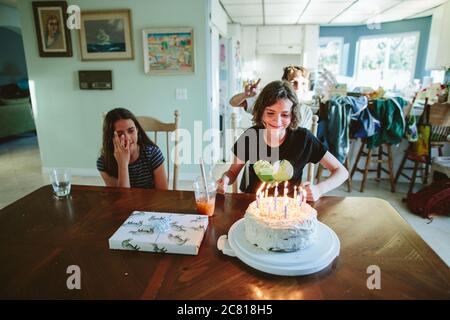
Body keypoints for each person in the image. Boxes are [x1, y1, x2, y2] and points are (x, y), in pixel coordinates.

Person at [217, 80, 348, 201]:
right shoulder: (251, 136)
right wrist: (225, 180)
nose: (277, 121)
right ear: (260, 112)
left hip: (290, 205)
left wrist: (319, 189)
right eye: (270, 113)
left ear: (293, 115)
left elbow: (341, 171)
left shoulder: (303, 139)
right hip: (253, 202)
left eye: (285, 115)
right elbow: (232, 172)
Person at [97, 108, 168, 189]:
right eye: (120, 134)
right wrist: (123, 164)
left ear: (137, 130)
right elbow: (122, 198)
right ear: (110, 138)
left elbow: (163, 194)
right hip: (124, 201)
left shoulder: (152, 154)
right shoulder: (103, 163)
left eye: (131, 131)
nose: (128, 138)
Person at [229, 65, 313, 129]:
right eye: (293, 82)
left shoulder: (306, 112)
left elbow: (304, 140)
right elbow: (233, 102)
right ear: (284, 83)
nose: (298, 87)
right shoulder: (268, 102)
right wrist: (246, 95)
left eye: (303, 83)